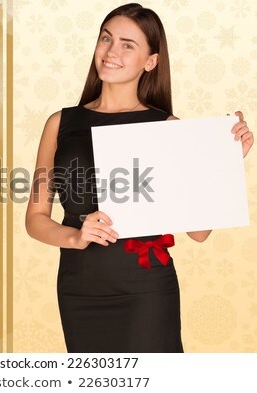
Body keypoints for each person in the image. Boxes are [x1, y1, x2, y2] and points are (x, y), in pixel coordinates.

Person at [25, 3, 253, 353]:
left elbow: (199, 232)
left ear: (151, 61)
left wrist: (221, 162)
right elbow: (36, 220)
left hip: (146, 291)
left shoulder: (167, 128)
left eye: (127, 44)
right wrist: (75, 236)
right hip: (79, 289)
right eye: (106, 38)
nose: (111, 51)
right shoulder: (60, 123)